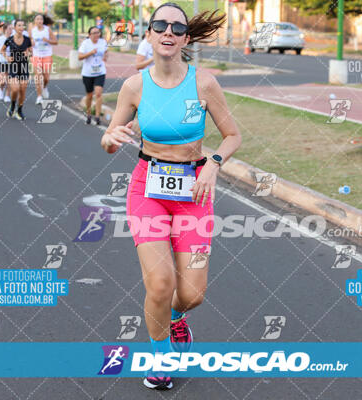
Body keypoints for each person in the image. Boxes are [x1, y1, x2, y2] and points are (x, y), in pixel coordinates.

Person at [100, 3, 238, 390]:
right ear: (149, 34)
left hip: (194, 190)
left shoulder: (204, 83)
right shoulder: (134, 86)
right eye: (160, 25)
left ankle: (177, 320)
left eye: (177, 27)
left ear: (185, 39)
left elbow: (233, 136)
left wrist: (212, 163)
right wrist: (110, 137)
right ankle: (160, 357)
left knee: (191, 294)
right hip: (148, 188)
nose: (168, 31)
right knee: (159, 283)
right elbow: (110, 138)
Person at [1, 19, 32, 120]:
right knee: (15, 89)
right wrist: (7, 57)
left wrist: (29, 54)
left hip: (24, 67)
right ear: (15, 27)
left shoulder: (27, 40)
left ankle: (19, 110)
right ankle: (13, 105)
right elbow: (2, 50)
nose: (21, 28)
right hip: (14, 66)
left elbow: (31, 51)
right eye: (19, 25)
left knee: (23, 90)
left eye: (23, 26)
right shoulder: (9, 39)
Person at [78, 26, 108, 125]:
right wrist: (90, 52)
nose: (96, 35)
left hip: (100, 72)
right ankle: (89, 114)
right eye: (94, 33)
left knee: (98, 93)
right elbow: (80, 57)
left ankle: (98, 116)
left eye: (98, 32)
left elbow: (106, 51)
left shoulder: (103, 42)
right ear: (89, 35)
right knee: (89, 95)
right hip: (88, 73)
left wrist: (105, 56)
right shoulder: (85, 44)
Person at [30, 14, 57, 105]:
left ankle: (44, 87)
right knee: (37, 77)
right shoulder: (32, 31)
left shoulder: (47, 29)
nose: (39, 21)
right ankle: (39, 96)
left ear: (43, 21)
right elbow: (28, 43)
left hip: (47, 55)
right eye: (37, 19)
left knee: (46, 77)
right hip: (36, 56)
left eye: (41, 19)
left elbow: (56, 42)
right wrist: (31, 44)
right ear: (35, 21)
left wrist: (48, 40)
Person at [0, 23, 12, 102]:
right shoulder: (0, 39)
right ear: (5, 30)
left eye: (11, 29)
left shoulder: (14, 39)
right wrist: (1, 51)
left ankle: (7, 96)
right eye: (9, 29)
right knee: (2, 81)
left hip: (11, 62)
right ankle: (1, 90)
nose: (11, 30)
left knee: (9, 80)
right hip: (1, 61)